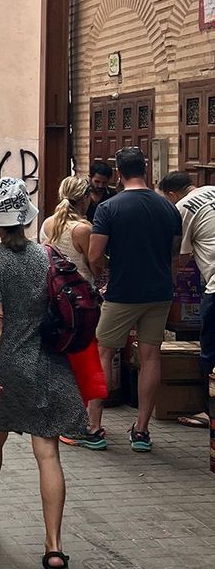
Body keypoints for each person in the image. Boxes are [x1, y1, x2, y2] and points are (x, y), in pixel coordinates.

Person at [0, 178, 88, 569]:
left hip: (10, 365)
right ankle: (54, 548)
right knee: (47, 453)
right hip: (49, 363)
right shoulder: (48, 256)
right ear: (26, 219)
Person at [88, 147, 182, 453]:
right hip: (159, 291)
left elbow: (94, 254)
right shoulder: (168, 207)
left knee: (103, 353)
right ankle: (141, 430)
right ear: (145, 169)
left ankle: (93, 427)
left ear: (118, 173)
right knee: (151, 356)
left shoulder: (109, 208)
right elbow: (174, 254)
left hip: (122, 292)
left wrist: (109, 271)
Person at [39, 176, 108, 450]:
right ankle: (89, 425)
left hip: (55, 302)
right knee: (88, 362)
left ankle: (65, 416)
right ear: (86, 197)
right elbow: (94, 265)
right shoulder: (84, 229)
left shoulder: (48, 223)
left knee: (62, 360)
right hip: (81, 303)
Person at [160, 170, 215, 423]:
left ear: (172, 195)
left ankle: (209, 412)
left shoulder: (181, 208)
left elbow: (179, 259)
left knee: (210, 350)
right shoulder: (212, 191)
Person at [86, 160, 116, 224]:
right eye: (97, 182)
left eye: (104, 182)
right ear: (90, 178)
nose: (100, 186)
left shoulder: (113, 196)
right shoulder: (82, 193)